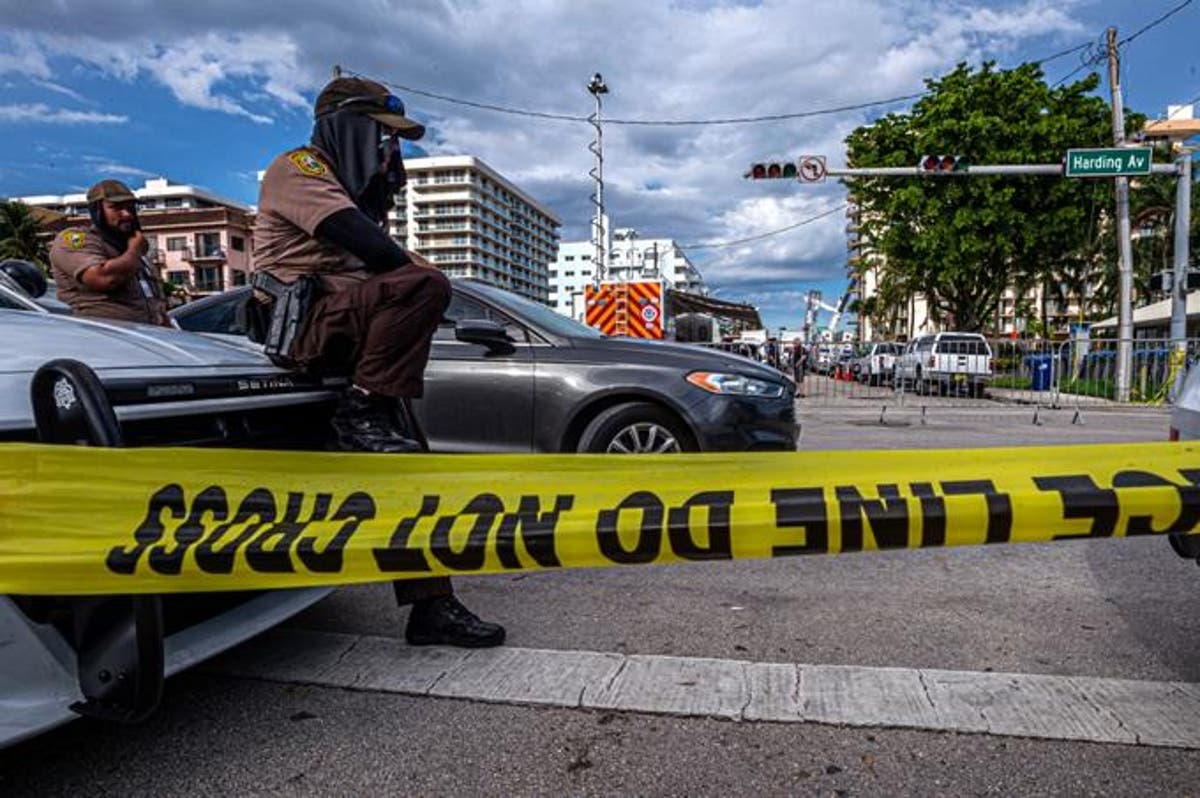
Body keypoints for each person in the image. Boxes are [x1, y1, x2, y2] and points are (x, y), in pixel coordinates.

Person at [252, 76, 504, 648]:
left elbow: (403, 267)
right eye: (381, 136)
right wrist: (398, 241)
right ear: (347, 128)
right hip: (306, 331)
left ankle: (432, 608)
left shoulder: (351, 191)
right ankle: (362, 407)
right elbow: (385, 258)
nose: (391, 152)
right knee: (421, 286)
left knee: (406, 473)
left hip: (350, 350)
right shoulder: (300, 168)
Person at [48, 179, 169, 325]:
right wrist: (135, 250)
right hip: (101, 338)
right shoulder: (75, 239)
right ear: (97, 210)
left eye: (130, 208)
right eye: (117, 208)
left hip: (146, 337)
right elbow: (104, 279)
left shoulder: (132, 250)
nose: (127, 214)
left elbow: (155, 303)